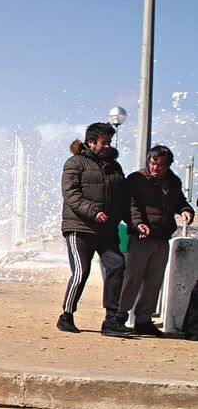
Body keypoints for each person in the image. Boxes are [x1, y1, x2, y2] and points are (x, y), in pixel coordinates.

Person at [57, 122, 130, 336]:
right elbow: (71, 194)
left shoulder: (115, 167)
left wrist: (135, 221)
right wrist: (93, 211)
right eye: (103, 142)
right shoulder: (75, 163)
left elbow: (123, 199)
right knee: (82, 272)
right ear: (91, 143)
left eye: (109, 142)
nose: (108, 146)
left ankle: (111, 320)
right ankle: (67, 315)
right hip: (79, 228)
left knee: (117, 265)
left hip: (107, 230)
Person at [117, 145, 194, 335]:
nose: (156, 168)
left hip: (162, 238)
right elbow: (130, 206)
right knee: (133, 277)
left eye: (160, 165)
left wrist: (186, 210)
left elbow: (179, 201)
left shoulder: (173, 181)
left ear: (168, 165)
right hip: (141, 237)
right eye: (153, 163)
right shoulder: (136, 179)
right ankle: (119, 316)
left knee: (154, 280)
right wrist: (138, 224)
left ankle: (144, 320)